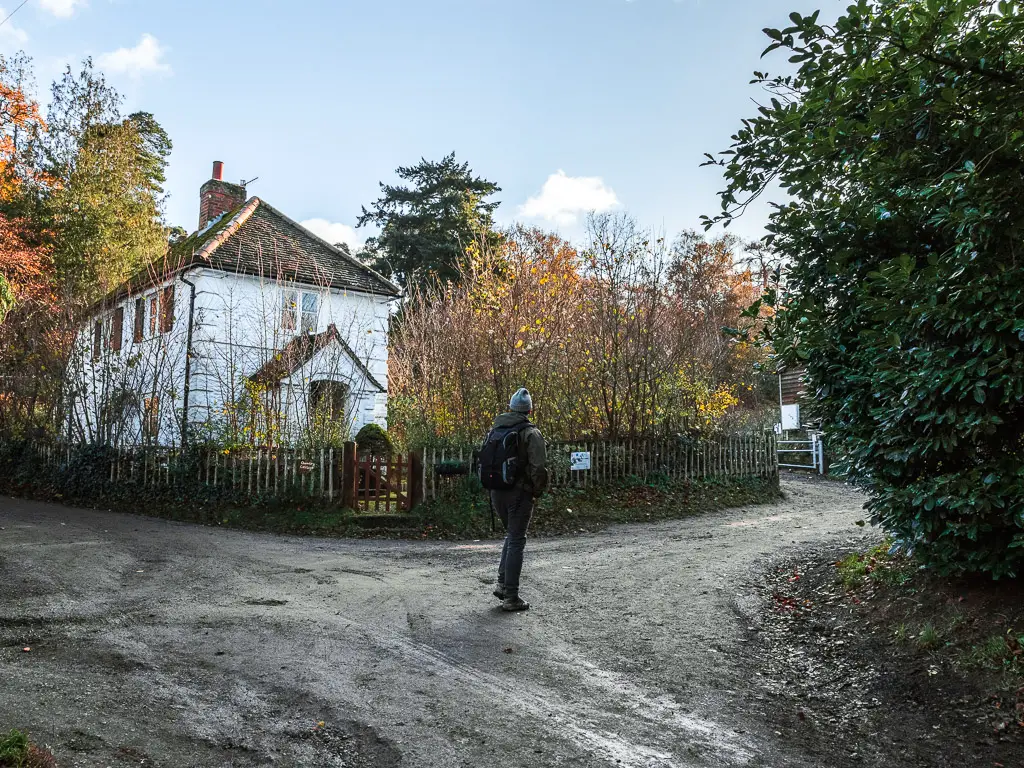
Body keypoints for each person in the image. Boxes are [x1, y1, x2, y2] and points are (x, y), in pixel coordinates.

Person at [487, 388, 548, 611]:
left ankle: (503, 585)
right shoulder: (531, 433)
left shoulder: (497, 428)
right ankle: (511, 597)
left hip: (496, 491)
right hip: (518, 493)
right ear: (529, 410)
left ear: (511, 408)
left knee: (511, 536)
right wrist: (537, 490)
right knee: (516, 540)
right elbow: (538, 467)